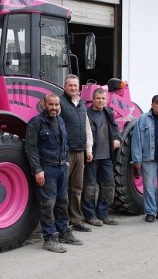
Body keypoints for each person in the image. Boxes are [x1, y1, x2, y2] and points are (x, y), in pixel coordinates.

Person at [25, 93, 83, 253]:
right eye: (51, 105)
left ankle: (64, 232)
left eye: (57, 105)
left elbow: (64, 143)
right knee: (48, 204)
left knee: (62, 202)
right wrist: (37, 170)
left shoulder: (60, 121)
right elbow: (31, 148)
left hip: (61, 168)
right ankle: (49, 239)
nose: (54, 108)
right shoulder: (36, 123)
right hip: (47, 169)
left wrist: (66, 160)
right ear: (44, 104)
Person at [131, 94, 158, 223]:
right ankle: (150, 212)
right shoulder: (143, 119)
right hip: (148, 159)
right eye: (157, 103)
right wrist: (137, 159)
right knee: (149, 187)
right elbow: (136, 140)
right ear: (152, 105)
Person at [59, 74, 94, 232]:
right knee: (62, 189)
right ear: (64, 86)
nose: (73, 88)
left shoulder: (81, 104)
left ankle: (76, 220)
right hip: (66, 153)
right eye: (70, 85)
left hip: (80, 152)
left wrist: (89, 148)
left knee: (77, 188)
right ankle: (61, 222)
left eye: (75, 85)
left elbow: (87, 127)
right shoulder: (59, 103)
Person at [82, 88, 121, 226]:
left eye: (103, 98)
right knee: (90, 186)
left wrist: (117, 138)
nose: (100, 101)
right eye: (98, 98)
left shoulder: (109, 113)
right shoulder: (86, 114)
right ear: (93, 99)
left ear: (107, 100)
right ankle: (90, 215)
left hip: (106, 156)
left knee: (108, 185)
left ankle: (103, 214)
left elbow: (116, 128)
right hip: (91, 157)